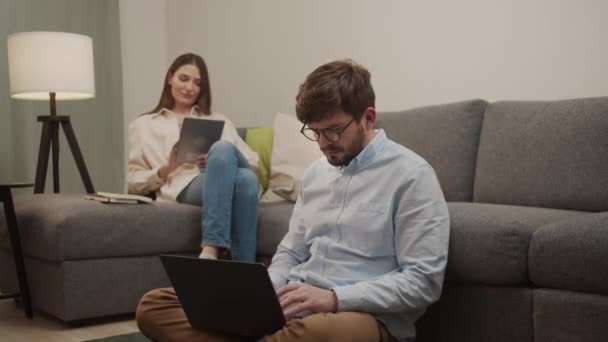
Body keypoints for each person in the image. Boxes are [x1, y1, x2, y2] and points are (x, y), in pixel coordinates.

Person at [136, 59, 450, 341]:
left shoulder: (412, 176)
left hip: (357, 318)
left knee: (321, 332)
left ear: (368, 118)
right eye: (314, 132)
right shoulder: (315, 174)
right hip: (289, 307)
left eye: (333, 131)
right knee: (154, 305)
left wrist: (334, 298)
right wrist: (264, 293)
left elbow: (423, 282)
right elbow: (290, 251)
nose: (324, 144)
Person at [128, 53, 260, 262]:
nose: (190, 88)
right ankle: (242, 265)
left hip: (220, 176)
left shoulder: (218, 120)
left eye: (197, 83)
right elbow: (133, 182)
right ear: (170, 78)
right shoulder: (144, 125)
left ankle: (211, 250)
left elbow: (251, 163)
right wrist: (169, 167)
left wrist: (218, 162)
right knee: (245, 181)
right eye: (183, 79)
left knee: (229, 156)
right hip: (182, 186)